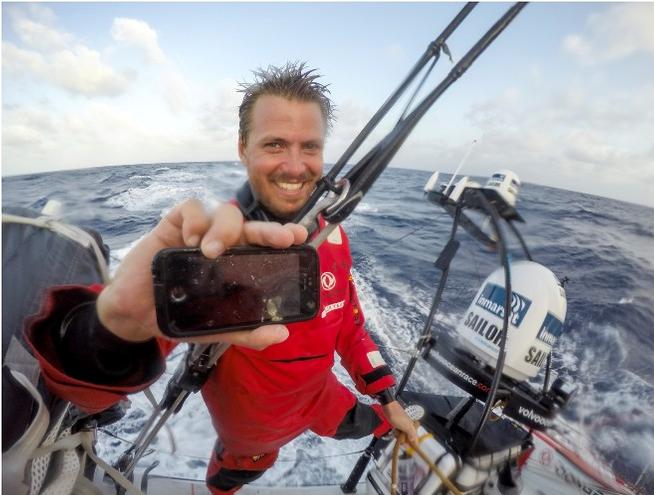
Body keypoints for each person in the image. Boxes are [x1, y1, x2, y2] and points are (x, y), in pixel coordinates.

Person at [24, 62, 417, 494]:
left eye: (310, 146)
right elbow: (92, 390)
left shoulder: (334, 234)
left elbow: (349, 325)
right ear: (243, 148)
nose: (294, 165)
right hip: (252, 430)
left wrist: (387, 398)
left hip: (323, 402)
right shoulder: (213, 243)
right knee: (231, 480)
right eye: (274, 144)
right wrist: (111, 328)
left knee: (375, 425)